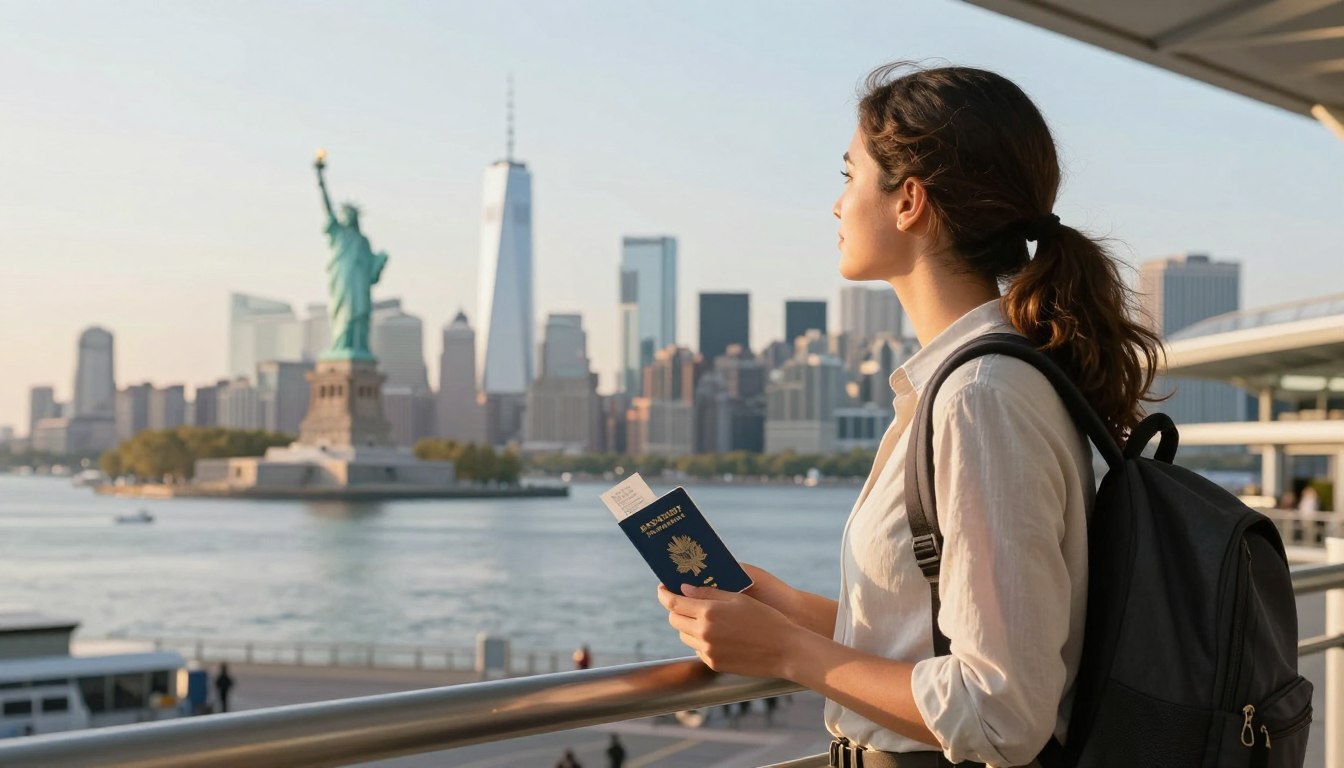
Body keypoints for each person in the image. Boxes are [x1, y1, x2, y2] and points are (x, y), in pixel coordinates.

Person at [656, 62, 1163, 767]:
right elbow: (939, 639)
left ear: (909, 201)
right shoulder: (967, 384)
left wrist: (787, 652)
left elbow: (1001, 712)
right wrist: (788, 611)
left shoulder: (981, 398)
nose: (836, 206)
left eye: (848, 176)